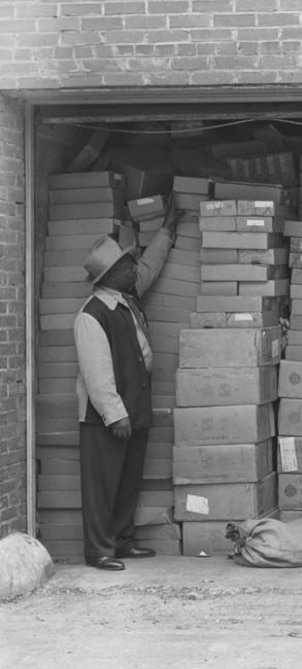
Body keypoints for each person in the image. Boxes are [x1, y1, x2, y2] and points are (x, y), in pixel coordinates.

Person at [75, 202, 179, 571]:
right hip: (108, 415)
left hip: (135, 406)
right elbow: (97, 372)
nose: (133, 267)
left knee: (127, 481)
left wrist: (167, 230)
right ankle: (99, 550)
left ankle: (122, 541)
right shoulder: (92, 314)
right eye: (125, 264)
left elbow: (148, 269)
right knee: (102, 484)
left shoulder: (126, 299)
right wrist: (115, 414)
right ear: (110, 275)